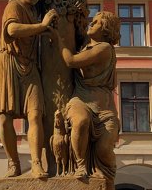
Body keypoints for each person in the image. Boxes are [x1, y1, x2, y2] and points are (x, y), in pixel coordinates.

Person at [0, 0, 58, 178]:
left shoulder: (33, 13)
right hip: (9, 61)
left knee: (35, 114)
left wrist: (47, 34)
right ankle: (14, 163)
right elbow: (12, 30)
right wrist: (42, 26)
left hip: (30, 66)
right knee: (5, 118)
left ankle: (37, 163)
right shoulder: (14, 5)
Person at [51, 11, 120, 189]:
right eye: (92, 21)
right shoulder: (85, 45)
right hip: (81, 98)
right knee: (80, 121)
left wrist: (59, 37)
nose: (91, 24)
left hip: (104, 108)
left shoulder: (104, 48)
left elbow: (71, 60)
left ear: (105, 30)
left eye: (96, 23)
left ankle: (109, 176)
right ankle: (80, 165)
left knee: (104, 149)